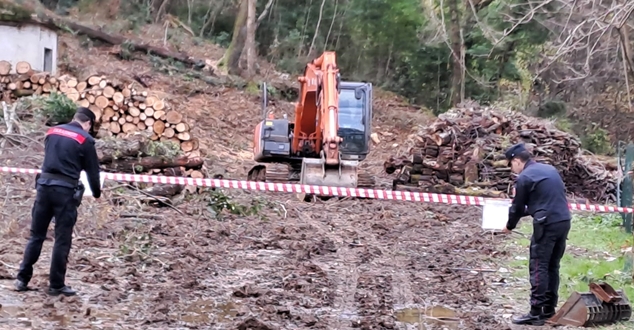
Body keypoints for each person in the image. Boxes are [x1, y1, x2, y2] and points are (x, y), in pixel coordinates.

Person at [15, 107, 102, 297]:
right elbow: (93, 172)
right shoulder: (85, 139)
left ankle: (22, 279)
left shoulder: (52, 132)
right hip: (65, 193)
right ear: (88, 123)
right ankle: (56, 285)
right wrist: (96, 193)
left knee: (36, 236)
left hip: (43, 188)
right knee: (62, 239)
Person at [502, 143, 572, 326]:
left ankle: (535, 312)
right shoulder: (549, 169)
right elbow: (542, 202)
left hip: (547, 224)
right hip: (563, 220)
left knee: (539, 265)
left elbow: (517, 207)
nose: (513, 169)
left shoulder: (525, 177)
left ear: (517, 160)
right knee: (552, 266)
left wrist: (509, 226)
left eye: (511, 164)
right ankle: (549, 309)